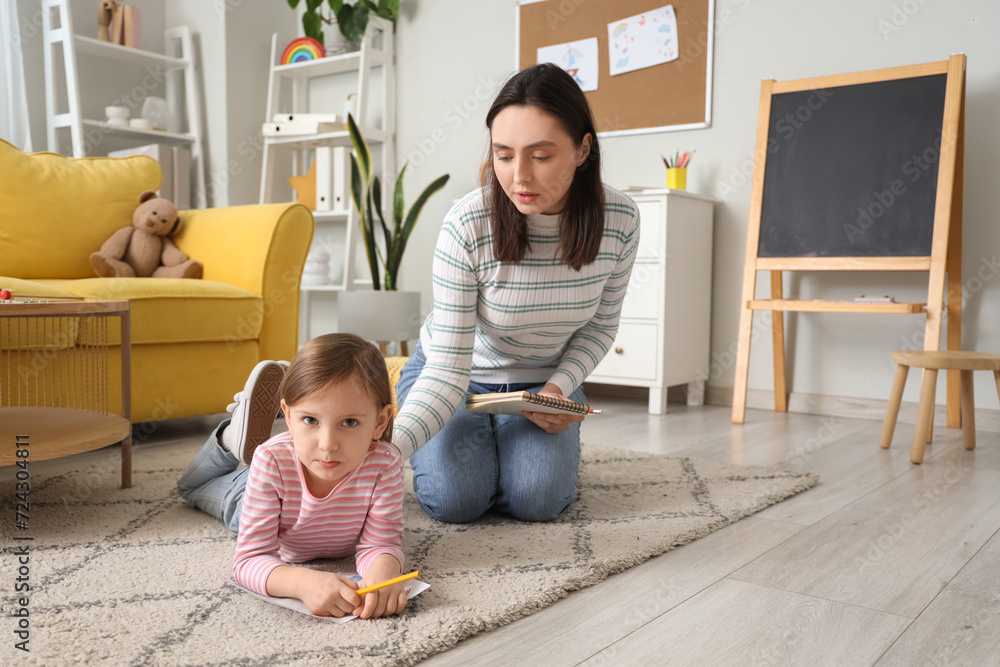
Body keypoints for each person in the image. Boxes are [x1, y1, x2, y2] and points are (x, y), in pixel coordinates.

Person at [392, 63, 641, 524]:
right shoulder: (467, 223)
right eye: (504, 155)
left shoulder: (620, 221)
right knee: (456, 503)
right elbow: (448, 369)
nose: (519, 177)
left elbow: (601, 327)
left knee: (538, 502)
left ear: (582, 148)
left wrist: (557, 388)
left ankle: (501, 441)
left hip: (540, 384)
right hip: (455, 375)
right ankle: (444, 415)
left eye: (540, 156)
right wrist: (383, 457)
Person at [176, 334, 407, 619]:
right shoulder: (270, 460)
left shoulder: (385, 464)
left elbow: (380, 544)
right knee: (190, 488)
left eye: (349, 422)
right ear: (287, 415)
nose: (327, 444)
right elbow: (249, 561)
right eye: (310, 419)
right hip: (251, 495)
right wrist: (303, 583)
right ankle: (228, 439)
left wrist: (383, 574)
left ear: (380, 422)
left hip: (283, 484)